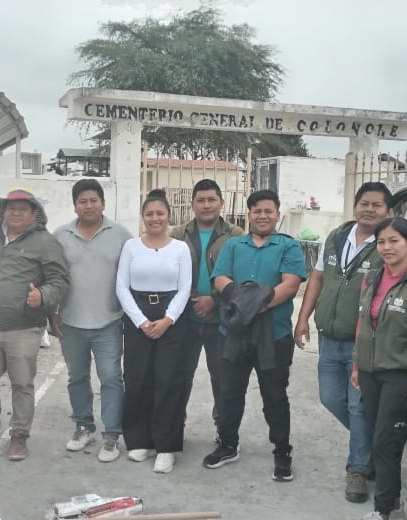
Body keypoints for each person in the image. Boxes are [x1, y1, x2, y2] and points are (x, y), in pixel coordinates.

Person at [293, 182, 407, 502]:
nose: (369, 210)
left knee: (358, 408)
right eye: (364, 203)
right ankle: (376, 446)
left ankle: (358, 469)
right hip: (330, 338)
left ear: (389, 211)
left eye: (377, 205)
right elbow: (318, 277)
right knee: (331, 398)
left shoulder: (392, 242)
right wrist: (303, 318)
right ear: (355, 206)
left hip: (369, 345)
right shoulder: (337, 237)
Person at [0, 188, 69, 461]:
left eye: (22, 208)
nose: (16, 212)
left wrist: (42, 296)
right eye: (11, 208)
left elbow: (60, 280)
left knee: (22, 383)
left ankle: (19, 434)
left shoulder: (45, 242)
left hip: (24, 326)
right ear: (3, 211)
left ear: (33, 213)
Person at [203, 190, 306, 482]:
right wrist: (247, 301)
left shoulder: (288, 246)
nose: (262, 216)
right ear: (249, 214)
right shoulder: (234, 245)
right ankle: (227, 444)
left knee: (275, 396)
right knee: (229, 392)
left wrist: (251, 303)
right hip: (233, 333)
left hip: (274, 335)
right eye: (257, 211)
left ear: (277, 214)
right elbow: (220, 278)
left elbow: (290, 285)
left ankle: (282, 451)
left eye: (268, 211)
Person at [350, 217, 407, 519]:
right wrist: (357, 364)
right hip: (370, 372)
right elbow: (362, 322)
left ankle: (383, 510)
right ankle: (394, 506)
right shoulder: (371, 277)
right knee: (380, 439)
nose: (387, 247)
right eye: (381, 242)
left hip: (402, 374)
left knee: (386, 443)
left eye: (394, 241)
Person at [51, 179, 133, 462]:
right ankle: (83, 426)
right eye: (82, 201)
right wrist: (51, 314)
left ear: (103, 203)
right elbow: (51, 277)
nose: (88, 205)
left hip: (109, 322)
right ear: (75, 206)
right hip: (71, 322)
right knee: (77, 377)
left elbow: (132, 274)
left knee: (111, 378)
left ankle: (112, 436)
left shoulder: (120, 235)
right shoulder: (60, 236)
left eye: (93, 200)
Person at [115, 189, 193, 474]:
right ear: (143, 217)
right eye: (149, 214)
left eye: (160, 213)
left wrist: (168, 319)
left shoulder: (180, 249)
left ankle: (166, 447)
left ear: (169, 216)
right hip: (138, 317)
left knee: (168, 380)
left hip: (172, 318)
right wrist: (140, 321)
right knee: (138, 378)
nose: (155, 218)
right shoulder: (131, 247)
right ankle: (140, 440)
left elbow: (185, 287)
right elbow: (121, 286)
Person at [170, 179, 244, 444]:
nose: (206, 205)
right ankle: (174, 427)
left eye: (212, 199)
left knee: (222, 378)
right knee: (179, 376)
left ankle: (224, 431)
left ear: (221, 202)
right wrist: (193, 299)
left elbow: (240, 274)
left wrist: (214, 299)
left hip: (222, 320)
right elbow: (170, 272)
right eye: (200, 200)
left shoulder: (236, 235)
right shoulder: (178, 234)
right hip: (185, 320)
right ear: (192, 204)